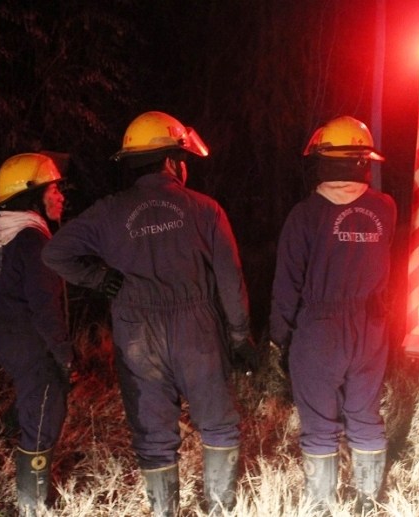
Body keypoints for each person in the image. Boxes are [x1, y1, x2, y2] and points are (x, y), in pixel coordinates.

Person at [42, 111, 256, 516]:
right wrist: (240, 336)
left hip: (136, 335)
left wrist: (98, 277)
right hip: (197, 331)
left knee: (154, 436)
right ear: (173, 162)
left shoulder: (108, 212)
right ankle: (220, 508)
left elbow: (55, 252)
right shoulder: (205, 209)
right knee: (218, 424)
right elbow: (231, 278)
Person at [269, 116, 396, 514]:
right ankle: (368, 502)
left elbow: (287, 283)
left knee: (320, 423)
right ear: (363, 161)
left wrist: (279, 337)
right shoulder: (385, 208)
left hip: (320, 330)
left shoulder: (304, 215)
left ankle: (322, 506)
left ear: (322, 160)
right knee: (365, 413)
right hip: (371, 327)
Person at [0, 153, 73, 515]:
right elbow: (45, 308)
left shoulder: (7, 235)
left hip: (10, 337)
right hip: (32, 342)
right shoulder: (33, 241)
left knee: (32, 409)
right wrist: (65, 355)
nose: (61, 196)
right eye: (53, 190)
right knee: (43, 417)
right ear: (32, 196)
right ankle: (33, 506)